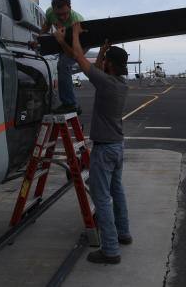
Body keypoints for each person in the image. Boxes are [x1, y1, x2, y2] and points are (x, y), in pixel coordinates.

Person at [53, 23, 132, 264]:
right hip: (117, 147)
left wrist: (74, 34)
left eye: (106, 60)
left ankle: (110, 250)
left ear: (111, 65)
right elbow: (96, 69)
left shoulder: (106, 83)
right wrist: (102, 52)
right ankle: (123, 233)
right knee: (116, 191)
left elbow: (78, 57)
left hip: (105, 149)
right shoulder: (119, 84)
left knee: (101, 198)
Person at [40, 0, 84, 112]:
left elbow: (74, 54)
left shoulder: (76, 21)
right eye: (59, 15)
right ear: (53, 10)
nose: (63, 17)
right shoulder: (49, 12)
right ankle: (69, 102)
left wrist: (60, 41)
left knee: (63, 64)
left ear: (70, 7)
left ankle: (70, 104)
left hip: (79, 43)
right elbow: (46, 25)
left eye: (65, 14)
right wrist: (39, 40)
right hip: (63, 38)